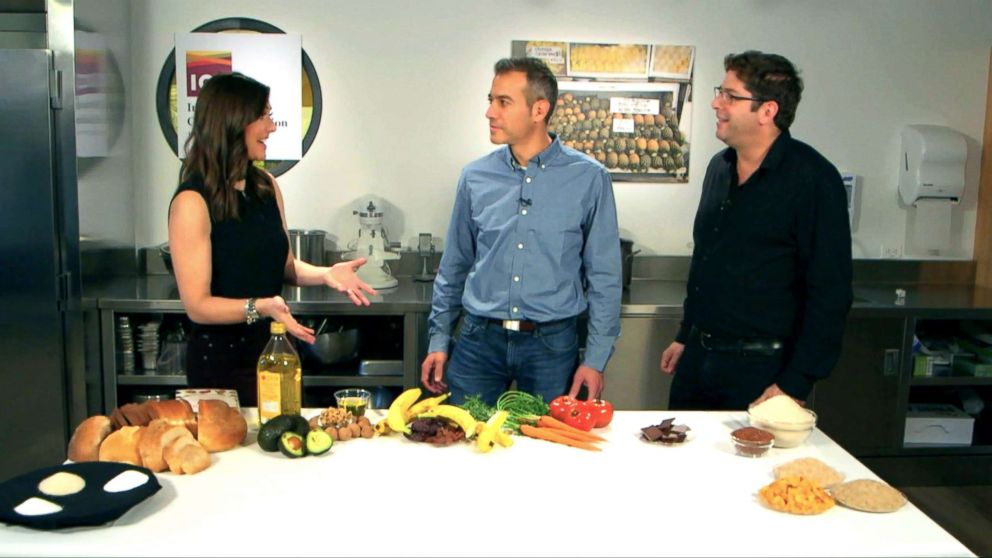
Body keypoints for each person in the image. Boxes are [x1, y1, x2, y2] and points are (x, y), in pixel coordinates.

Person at [421, 57, 622, 406]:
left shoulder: (589, 178)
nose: (490, 112)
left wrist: (595, 360)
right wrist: (439, 339)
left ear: (539, 109)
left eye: (503, 102)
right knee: (464, 445)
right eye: (490, 100)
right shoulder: (475, 177)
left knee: (548, 451)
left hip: (552, 345)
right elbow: (454, 265)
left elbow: (604, 276)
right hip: (478, 340)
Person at [168, 72, 377, 406]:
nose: (272, 126)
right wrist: (260, 306)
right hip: (220, 363)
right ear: (233, 122)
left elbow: (286, 268)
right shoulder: (192, 202)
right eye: (263, 116)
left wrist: (325, 274)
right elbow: (198, 306)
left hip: (274, 351)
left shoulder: (265, 186)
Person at [660, 51, 853, 410]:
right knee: (681, 461)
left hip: (763, 372)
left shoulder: (813, 179)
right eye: (721, 92)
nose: (716, 102)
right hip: (698, 361)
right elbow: (706, 263)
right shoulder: (720, 168)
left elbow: (830, 292)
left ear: (768, 111)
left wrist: (794, 384)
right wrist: (686, 335)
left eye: (730, 96)